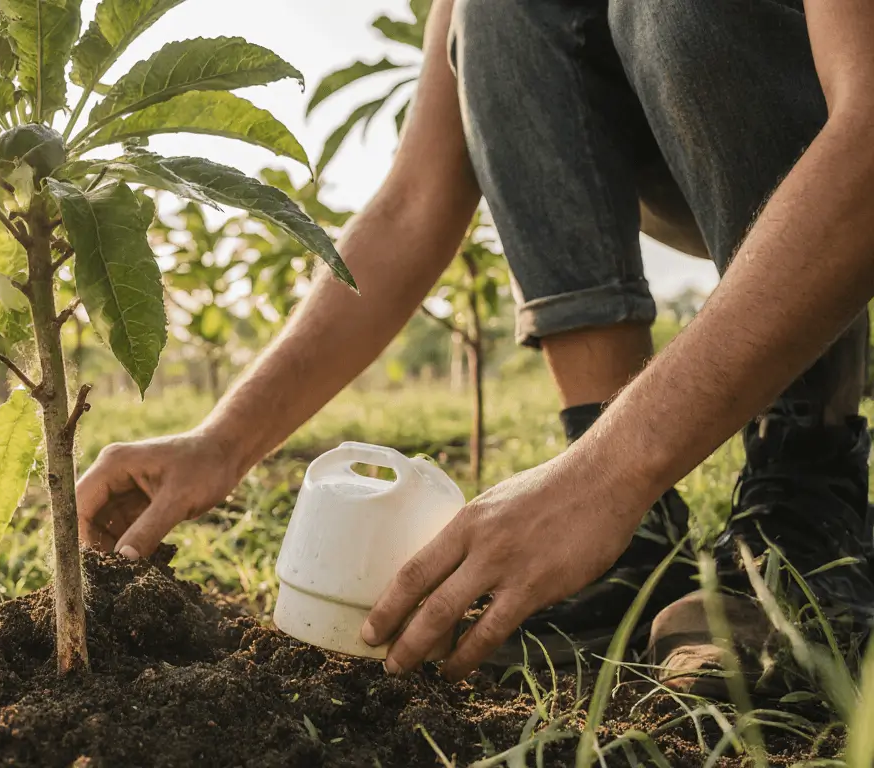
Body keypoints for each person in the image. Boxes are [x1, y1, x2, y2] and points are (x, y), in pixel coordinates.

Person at [76, 0, 874, 692]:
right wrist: (222, 441)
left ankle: (806, 480)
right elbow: (415, 205)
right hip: (707, 136)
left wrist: (606, 474)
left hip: (833, 115)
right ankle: (629, 548)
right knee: (493, 13)